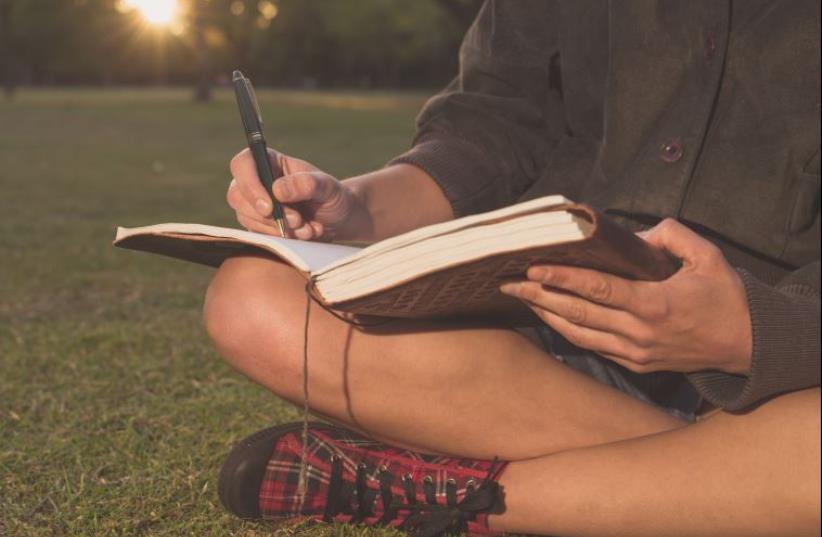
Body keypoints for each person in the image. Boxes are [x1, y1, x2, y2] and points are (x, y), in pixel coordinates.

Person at [205, 2, 821, 536]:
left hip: (785, 369)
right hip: (542, 334)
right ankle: (726, 485)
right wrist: (353, 208)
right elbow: (491, 124)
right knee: (254, 296)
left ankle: (459, 496)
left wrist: (753, 332)